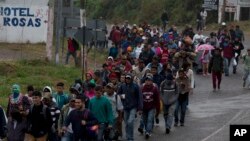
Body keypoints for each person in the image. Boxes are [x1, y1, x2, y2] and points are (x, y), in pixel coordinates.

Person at [117, 73, 143, 141]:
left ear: (131, 79)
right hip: (125, 107)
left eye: (129, 78)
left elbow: (139, 97)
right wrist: (123, 97)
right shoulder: (122, 86)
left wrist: (140, 108)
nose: (127, 79)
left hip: (133, 107)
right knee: (126, 123)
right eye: (126, 78)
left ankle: (131, 137)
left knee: (130, 122)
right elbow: (118, 94)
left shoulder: (135, 86)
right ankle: (128, 137)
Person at [140, 74, 160, 139]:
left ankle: (148, 132)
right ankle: (147, 130)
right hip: (144, 107)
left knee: (150, 119)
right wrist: (139, 108)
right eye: (146, 80)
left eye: (149, 80)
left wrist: (158, 110)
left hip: (152, 107)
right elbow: (139, 99)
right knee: (145, 120)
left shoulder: (155, 89)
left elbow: (157, 100)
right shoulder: (142, 88)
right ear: (145, 81)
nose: (148, 82)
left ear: (152, 81)